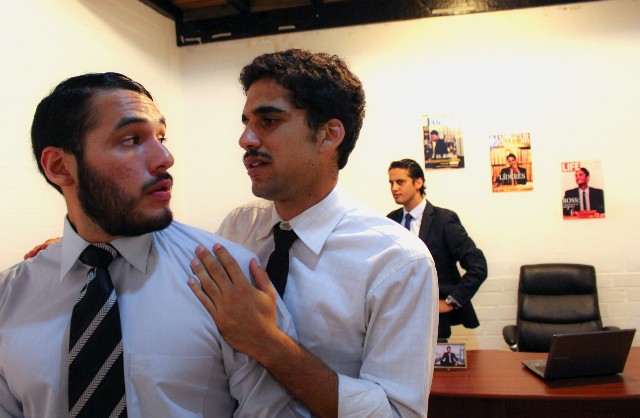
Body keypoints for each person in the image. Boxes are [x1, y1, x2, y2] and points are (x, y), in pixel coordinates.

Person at [0, 72, 305, 418]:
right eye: (131, 140)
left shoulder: (229, 279)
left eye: (161, 137)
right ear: (60, 167)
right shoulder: (10, 298)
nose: (165, 157)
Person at [187, 49, 439, 418]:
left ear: (328, 135)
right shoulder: (238, 229)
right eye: (246, 123)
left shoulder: (397, 262)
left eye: (269, 120)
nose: (245, 139)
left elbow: (395, 414)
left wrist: (267, 342)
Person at [387, 158, 487, 342]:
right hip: (399, 317)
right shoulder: (391, 221)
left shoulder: (444, 220)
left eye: (400, 182)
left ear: (418, 182)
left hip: (434, 319)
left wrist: (450, 302)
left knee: (435, 361)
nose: (394, 188)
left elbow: (478, 266)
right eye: (391, 183)